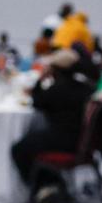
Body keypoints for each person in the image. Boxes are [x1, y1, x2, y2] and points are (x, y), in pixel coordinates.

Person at [11, 48, 95, 190]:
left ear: (55, 70)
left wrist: (40, 79)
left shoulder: (58, 90)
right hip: (82, 141)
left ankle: (43, 186)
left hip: (64, 140)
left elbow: (37, 102)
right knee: (34, 141)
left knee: (19, 149)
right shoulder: (84, 87)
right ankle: (53, 183)